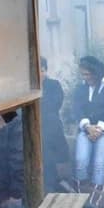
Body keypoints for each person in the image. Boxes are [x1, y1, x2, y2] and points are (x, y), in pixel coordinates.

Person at [71, 55, 104, 208]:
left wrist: (99, 129)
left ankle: (93, 204)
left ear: (96, 72)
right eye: (83, 74)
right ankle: (81, 200)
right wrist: (88, 127)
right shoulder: (81, 88)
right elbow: (77, 110)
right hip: (87, 129)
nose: (85, 77)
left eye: (88, 74)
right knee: (81, 161)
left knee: (99, 164)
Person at [39, 57, 69, 194]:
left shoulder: (54, 85)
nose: (40, 74)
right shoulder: (28, 89)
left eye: (42, 70)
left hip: (52, 130)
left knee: (51, 160)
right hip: (37, 133)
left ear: (46, 70)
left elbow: (55, 105)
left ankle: (53, 187)